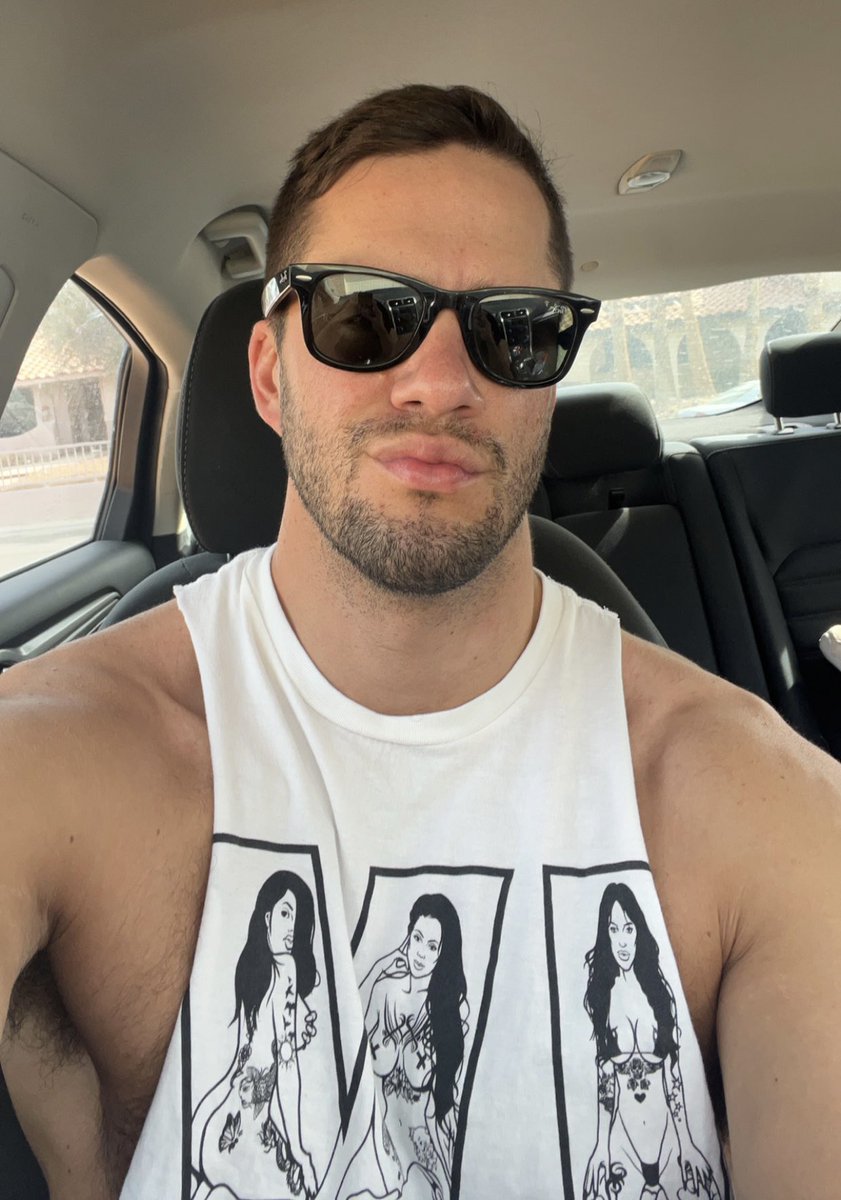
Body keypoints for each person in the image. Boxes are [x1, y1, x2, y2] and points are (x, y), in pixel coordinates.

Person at [0, 82, 840, 1200]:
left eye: (513, 329)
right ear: (268, 375)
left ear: (548, 386)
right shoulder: (58, 758)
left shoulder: (756, 802)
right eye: (366, 315)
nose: (441, 384)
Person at [582, 883, 719, 1200]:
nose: (622, 940)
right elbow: (606, 1080)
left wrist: (687, 1142)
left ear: (638, 932)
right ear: (605, 935)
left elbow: (673, 1074)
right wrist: (601, 1146)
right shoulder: (602, 998)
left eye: (628, 928)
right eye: (613, 929)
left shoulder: (660, 993)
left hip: (670, 1141)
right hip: (622, 1144)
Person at [191, 871, 319, 1200]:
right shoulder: (285, 971)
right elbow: (287, 1071)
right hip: (246, 1136)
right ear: (267, 915)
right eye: (285, 913)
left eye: (298, 919)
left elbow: (245, 1061)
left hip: (217, 1126)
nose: (291, 927)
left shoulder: (251, 966)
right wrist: (299, 1151)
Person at [344, 894, 467, 1200]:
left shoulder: (444, 1015)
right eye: (417, 938)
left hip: (420, 1147)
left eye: (432, 946)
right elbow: (347, 1032)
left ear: (443, 954)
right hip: (372, 1140)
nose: (421, 953)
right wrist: (378, 969)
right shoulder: (385, 991)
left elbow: (445, 1102)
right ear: (408, 937)